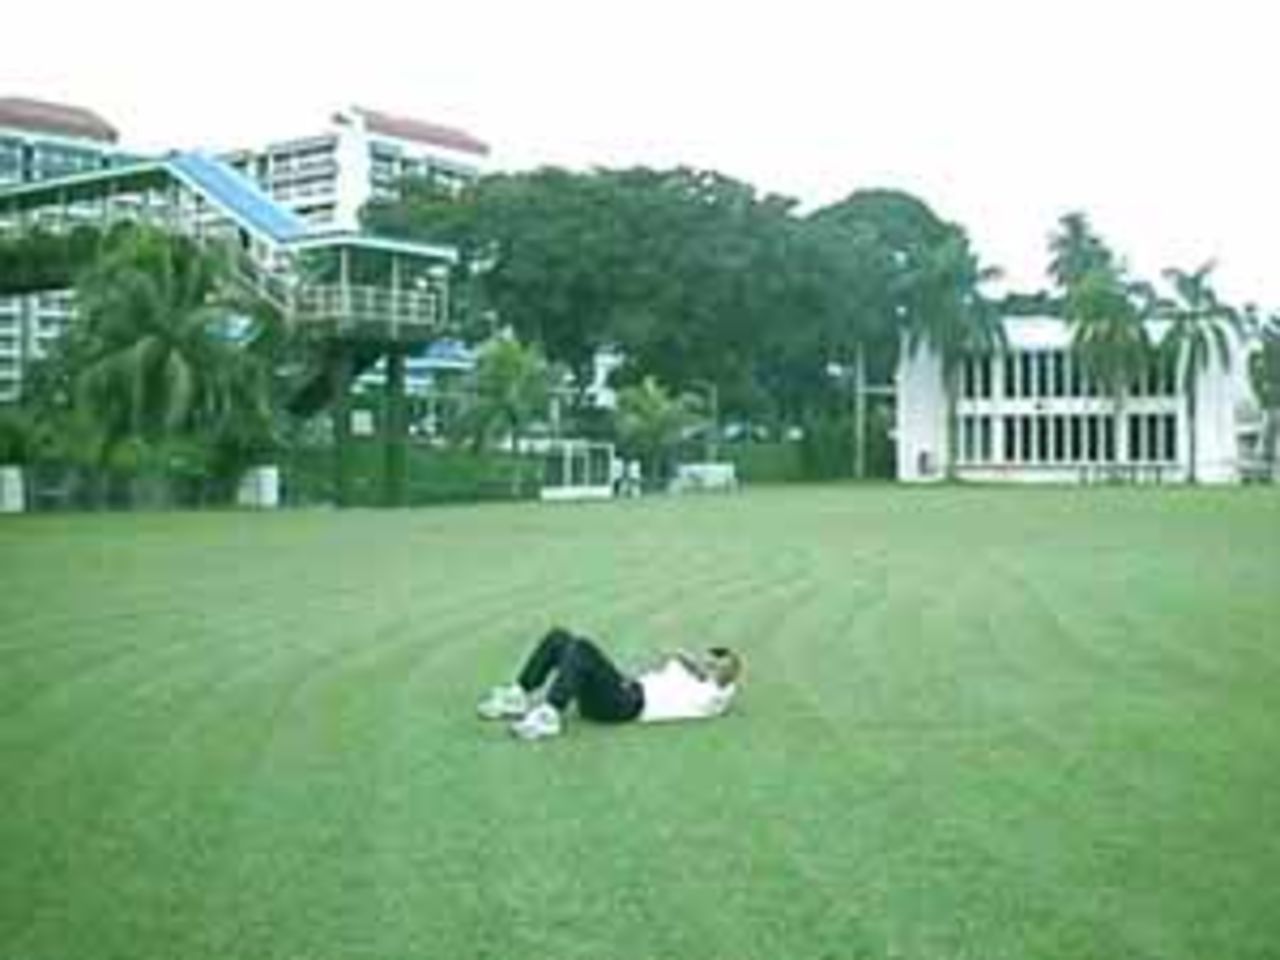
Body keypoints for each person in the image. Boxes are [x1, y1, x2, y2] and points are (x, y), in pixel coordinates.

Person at [478, 626, 743, 740]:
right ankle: (518, 695)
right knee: (560, 637)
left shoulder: (713, 695)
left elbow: (725, 676)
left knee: (583, 647)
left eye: (718, 666)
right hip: (621, 691)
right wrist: (690, 660)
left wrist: (709, 668)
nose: (712, 667)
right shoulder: (689, 676)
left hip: (625, 707)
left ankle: (549, 715)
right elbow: (682, 659)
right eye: (710, 662)